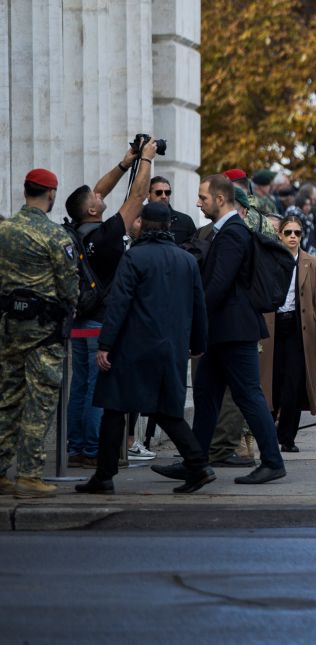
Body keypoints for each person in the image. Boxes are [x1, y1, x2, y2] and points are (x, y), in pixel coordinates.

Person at [76, 200, 212, 494]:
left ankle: (105, 475)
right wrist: (199, 343)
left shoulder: (134, 257)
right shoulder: (186, 260)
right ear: (167, 226)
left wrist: (105, 343)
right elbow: (199, 305)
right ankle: (197, 465)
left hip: (133, 346)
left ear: (144, 224)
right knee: (165, 410)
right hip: (171, 347)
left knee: (115, 405)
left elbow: (119, 303)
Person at [174, 173, 285, 486]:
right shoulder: (225, 230)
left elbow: (218, 284)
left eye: (203, 198)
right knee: (207, 396)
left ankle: (273, 462)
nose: (198, 203)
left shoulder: (233, 231)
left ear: (220, 200)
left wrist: (195, 319)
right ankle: (195, 462)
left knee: (248, 394)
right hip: (223, 329)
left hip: (234, 329)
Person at [62, 139, 155, 469]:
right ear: (92, 210)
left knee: (81, 385)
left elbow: (97, 191)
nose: (101, 196)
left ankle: (77, 446)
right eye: (96, 199)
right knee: (96, 389)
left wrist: (124, 164)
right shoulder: (108, 235)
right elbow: (138, 198)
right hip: (101, 322)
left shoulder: (77, 230)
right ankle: (90, 449)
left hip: (78, 322)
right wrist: (146, 160)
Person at [0, 169, 79, 498]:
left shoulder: (3, 229)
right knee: (40, 401)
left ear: (25, 191)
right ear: (51, 194)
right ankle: (29, 475)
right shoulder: (55, 236)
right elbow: (69, 287)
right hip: (43, 332)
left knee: (7, 399)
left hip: (8, 327)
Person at [267, 215, 316, 453]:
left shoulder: (311, 262)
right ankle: (267, 432)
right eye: (288, 232)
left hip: (298, 328)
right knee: (271, 382)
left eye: (297, 233)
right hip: (272, 327)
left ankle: (288, 437)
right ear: (280, 235)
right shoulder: (270, 259)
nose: (293, 237)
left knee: (294, 384)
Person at [147, 176, 197, 245]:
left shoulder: (185, 221)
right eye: (159, 192)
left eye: (167, 192)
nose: (164, 196)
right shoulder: (138, 219)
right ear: (148, 195)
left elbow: (194, 250)